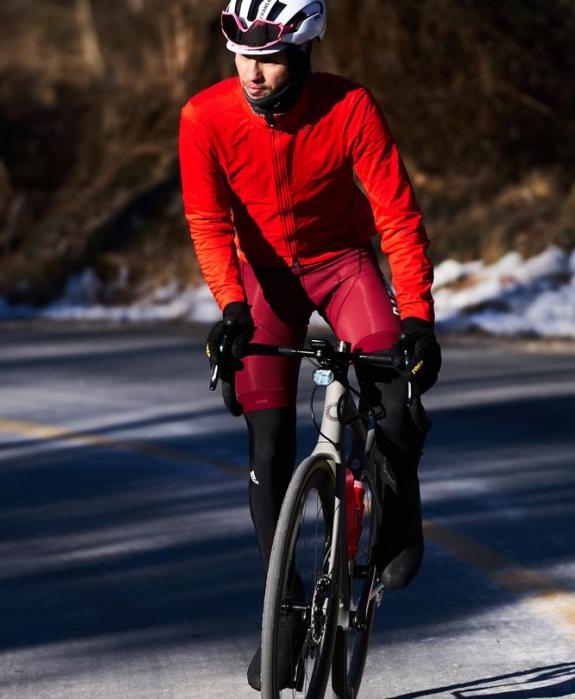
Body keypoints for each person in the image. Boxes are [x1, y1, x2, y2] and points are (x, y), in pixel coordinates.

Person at [179, 0, 442, 689]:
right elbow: (207, 222)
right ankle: (287, 608)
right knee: (267, 440)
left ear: (302, 53)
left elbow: (397, 214)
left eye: (268, 57)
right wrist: (232, 306)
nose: (252, 72)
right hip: (262, 277)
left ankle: (396, 509)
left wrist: (417, 318)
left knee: (393, 387)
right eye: (242, 53)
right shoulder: (203, 118)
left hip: (342, 263)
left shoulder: (350, 106)